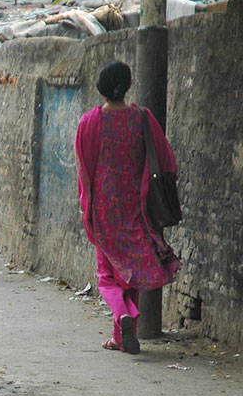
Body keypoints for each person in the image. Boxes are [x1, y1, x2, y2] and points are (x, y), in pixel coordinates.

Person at [75, 60, 182, 355]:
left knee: (107, 274)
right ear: (128, 85)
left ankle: (123, 317)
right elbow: (166, 160)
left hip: (105, 208)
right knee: (130, 273)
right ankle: (123, 336)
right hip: (138, 207)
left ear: (102, 88)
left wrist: (88, 206)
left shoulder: (90, 122)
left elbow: (84, 169)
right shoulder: (143, 117)